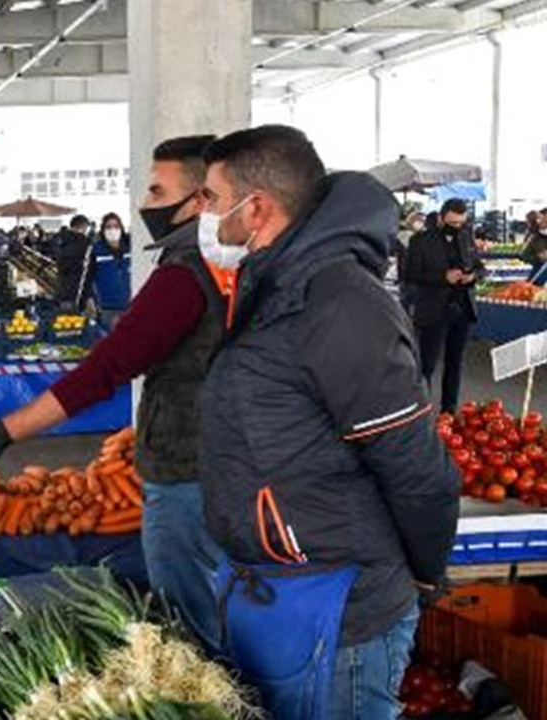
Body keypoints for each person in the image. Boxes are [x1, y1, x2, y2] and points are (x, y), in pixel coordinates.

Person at [197, 125, 459, 720]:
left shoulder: (340, 303)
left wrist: (425, 574)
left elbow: (418, 469)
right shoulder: (272, 286)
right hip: (281, 590)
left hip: (340, 609)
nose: (203, 215)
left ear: (256, 206)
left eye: (211, 198)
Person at [0, 135, 230, 652]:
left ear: (200, 201)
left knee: (191, 620)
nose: (144, 204)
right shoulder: (232, 265)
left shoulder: (182, 278)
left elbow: (105, 369)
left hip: (187, 470)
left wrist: (2, 433)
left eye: (157, 189)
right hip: (227, 461)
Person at [403, 198, 485, 415]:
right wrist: (443, 277)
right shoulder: (420, 241)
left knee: (455, 364)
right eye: (452, 223)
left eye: (461, 223)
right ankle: (421, 415)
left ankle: (449, 413)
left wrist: (473, 276)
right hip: (433, 311)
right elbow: (410, 274)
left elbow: (480, 266)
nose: (457, 227)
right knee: (427, 366)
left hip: (463, 310)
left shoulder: (467, 236)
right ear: (440, 218)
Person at [76, 212, 131, 327]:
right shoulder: (96, 250)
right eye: (108, 227)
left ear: (121, 229)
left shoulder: (130, 248)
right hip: (108, 308)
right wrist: (82, 304)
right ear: (103, 230)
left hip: (132, 306)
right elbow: (86, 278)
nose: (113, 230)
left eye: (116, 226)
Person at [53, 215, 92, 308]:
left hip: (61, 287)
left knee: (64, 320)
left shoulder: (60, 239)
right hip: (78, 290)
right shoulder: (83, 242)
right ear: (83, 227)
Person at [520, 210, 547, 283]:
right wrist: (539, 256)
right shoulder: (535, 236)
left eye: (542, 218)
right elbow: (526, 255)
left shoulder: (536, 236)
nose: (539, 221)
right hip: (538, 270)